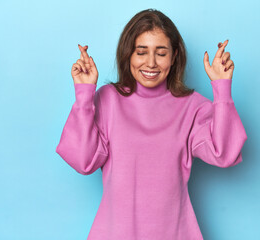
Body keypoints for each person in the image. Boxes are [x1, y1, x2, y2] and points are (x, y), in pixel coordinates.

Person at [56, 8, 247, 240]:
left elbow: (224, 153)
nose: (151, 63)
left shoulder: (192, 106)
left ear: (174, 56)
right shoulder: (108, 100)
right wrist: (85, 95)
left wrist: (222, 88)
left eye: (161, 53)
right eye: (141, 51)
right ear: (129, 54)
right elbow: (83, 161)